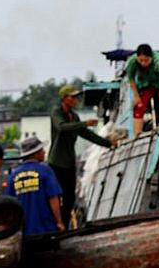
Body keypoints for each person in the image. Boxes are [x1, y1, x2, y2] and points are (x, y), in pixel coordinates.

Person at [49, 83, 115, 229]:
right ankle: (55, 225)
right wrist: (84, 123)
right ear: (64, 99)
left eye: (76, 97)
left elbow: (87, 135)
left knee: (70, 198)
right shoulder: (57, 112)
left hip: (69, 164)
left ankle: (64, 227)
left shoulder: (74, 116)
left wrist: (108, 143)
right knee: (55, 197)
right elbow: (62, 127)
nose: (75, 100)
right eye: (73, 97)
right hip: (56, 163)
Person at [6, 134, 63, 235]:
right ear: (34, 154)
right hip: (46, 230)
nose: (44, 152)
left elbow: (10, 205)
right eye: (41, 150)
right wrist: (59, 222)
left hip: (23, 232)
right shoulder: (45, 171)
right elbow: (53, 199)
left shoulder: (13, 175)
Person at [125, 43, 159, 136]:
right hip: (145, 83)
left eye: (146, 60)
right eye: (141, 60)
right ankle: (136, 135)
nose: (143, 63)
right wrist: (136, 96)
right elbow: (131, 79)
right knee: (139, 106)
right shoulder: (132, 62)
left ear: (151, 58)